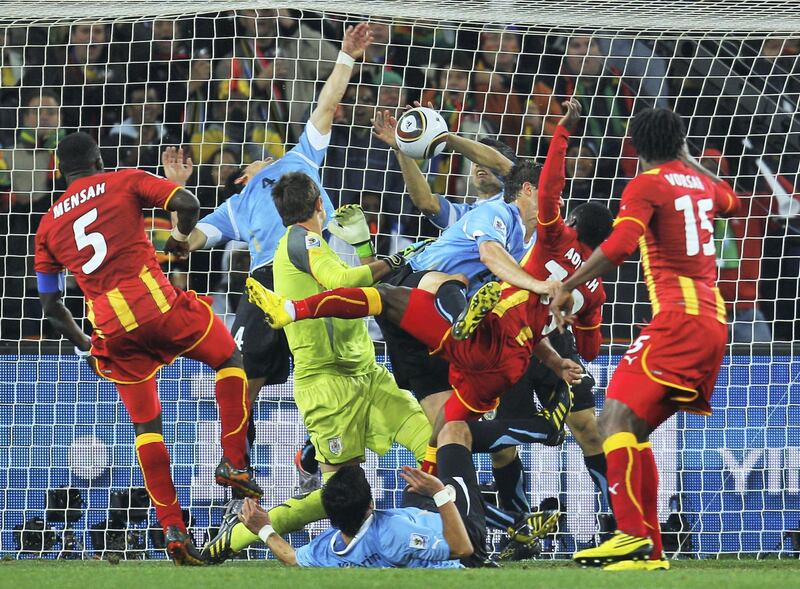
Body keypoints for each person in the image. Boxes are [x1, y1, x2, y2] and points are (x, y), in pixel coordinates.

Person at [33, 133, 260, 565]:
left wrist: (85, 345)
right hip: (157, 306)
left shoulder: (47, 226)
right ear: (99, 158)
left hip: (112, 332)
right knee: (229, 358)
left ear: (59, 171)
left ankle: (173, 529)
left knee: (146, 427)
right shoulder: (124, 181)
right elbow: (188, 203)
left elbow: (50, 305)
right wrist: (179, 235)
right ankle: (234, 462)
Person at [164, 24, 373, 462]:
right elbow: (187, 243)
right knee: (243, 377)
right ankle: (238, 464)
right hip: (268, 279)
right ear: (245, 174)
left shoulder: (300, 157)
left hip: (319, 270)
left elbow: (327, 104)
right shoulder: (237, 205)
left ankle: (317, 457)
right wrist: (178, 200)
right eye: (256, 160)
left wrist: (348, 56)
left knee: (332, 377)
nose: (265, 155)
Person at [201, 171, 431, 564]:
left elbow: (356, 290)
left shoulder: (313, 248)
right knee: (336, 496)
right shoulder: (298, 240)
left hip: (369, 376)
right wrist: (393, 260)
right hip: (327, 385)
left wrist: (362, 245)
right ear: (320, 204)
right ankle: (234, 538)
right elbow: (344, 281)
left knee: (437, 446)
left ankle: (431, 542)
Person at [550, 108, 741, 571]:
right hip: (712, 322)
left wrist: (568, 284)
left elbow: (619, 246)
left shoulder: (646, 184)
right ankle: (648, 551)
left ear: (635, 146)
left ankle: (629, 535)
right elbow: (731, 200)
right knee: (632, 431)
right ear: (678, 143)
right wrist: (688, 160)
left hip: (678, 320)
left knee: (612, 417)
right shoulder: (701, 184)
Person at [216, 420, 491, 568]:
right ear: (371, 505)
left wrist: (264, 530)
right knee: (453, 433)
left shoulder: (331, 549)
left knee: (426, 465)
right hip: (463, 540)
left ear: (331, 519)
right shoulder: (393, 533)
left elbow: (291, 557)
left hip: (416, 517)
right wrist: (440, 494)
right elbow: (460, 548)